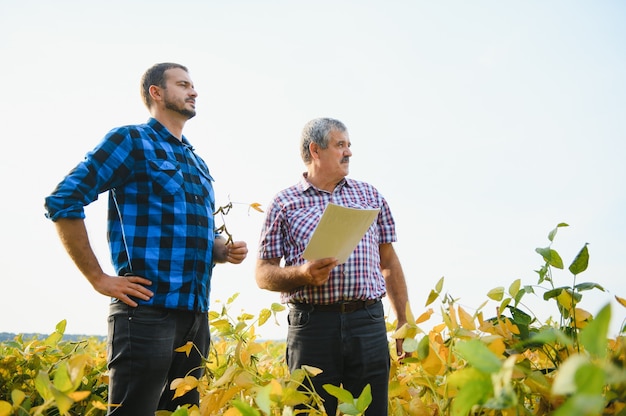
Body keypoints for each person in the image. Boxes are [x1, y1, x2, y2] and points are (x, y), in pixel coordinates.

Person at [44, 62, 248, 415]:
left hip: (195, 317)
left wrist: (220, 249)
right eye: (182, 84)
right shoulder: (130, 140)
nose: (193, 91)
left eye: (193, 85)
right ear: (156, 92)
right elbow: (63, 199)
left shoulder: (196, 162)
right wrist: (98, 278)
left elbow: (186, 235)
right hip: (147, 312)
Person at [255, 117, 410, 415]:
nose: (348, 152)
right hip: (312, 327)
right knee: (309, 410)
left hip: (367, 323)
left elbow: (388, 262)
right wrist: (300, 273)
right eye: (340, 145)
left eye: (349, 145)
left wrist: (403, 320)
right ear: (315, 150)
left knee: (371, 411)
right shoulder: (284, 203)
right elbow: (263, 274)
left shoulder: (369, 195)